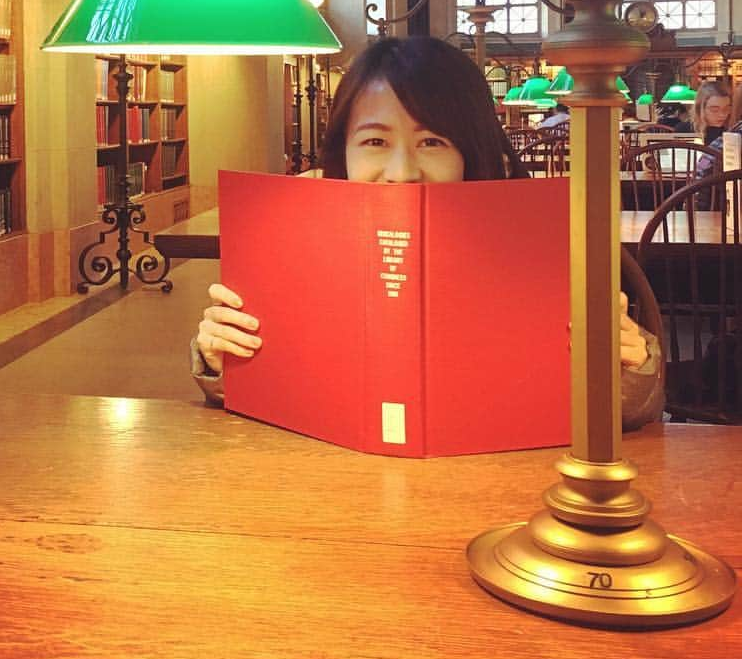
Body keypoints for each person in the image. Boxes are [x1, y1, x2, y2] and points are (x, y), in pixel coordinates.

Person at [191, 35, 664, 431]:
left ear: (469, 150)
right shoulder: (295, 241)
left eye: (432, 142)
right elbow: (252, 395)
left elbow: (633, 412)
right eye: (375, 141)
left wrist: (629, 364)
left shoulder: (541, 244)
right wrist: (220, 358)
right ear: (343, 151)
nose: (401, 172)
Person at [692, 80, 732, 146]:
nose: (722, 115)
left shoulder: (732, 133)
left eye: (726, 109)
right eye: (714, 110)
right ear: (700, 108)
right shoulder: (685, 129)